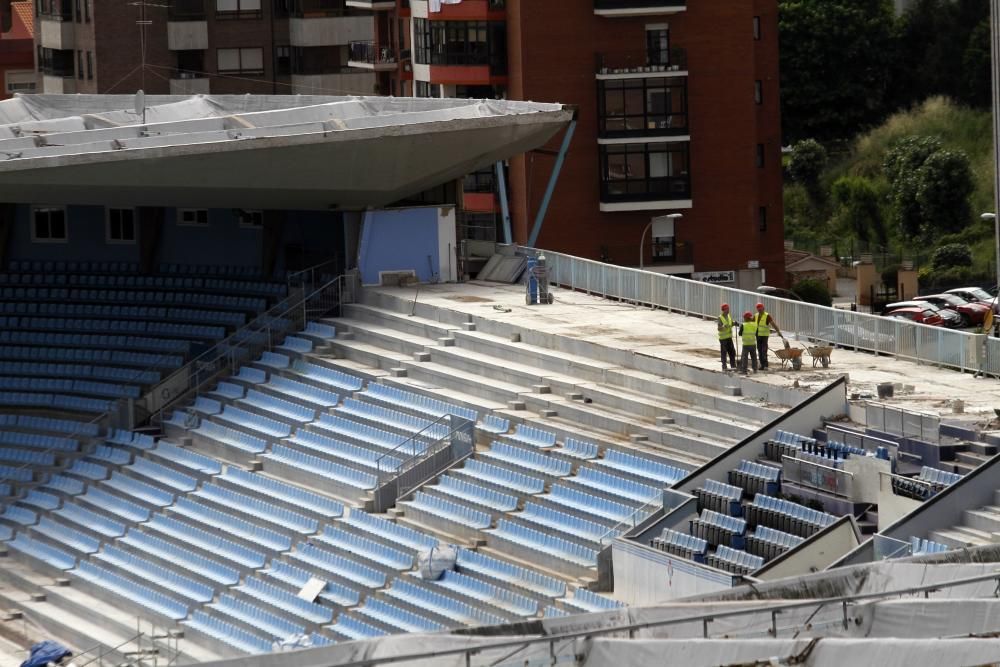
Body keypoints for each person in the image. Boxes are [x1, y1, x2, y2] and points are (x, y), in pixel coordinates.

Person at [754, 302, 783, 371]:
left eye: (761, 308)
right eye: (758, 309)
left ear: (763, 308)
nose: (760, 310)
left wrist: (778, 331)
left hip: (764, 336)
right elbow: (752, 323)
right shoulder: (756, 316)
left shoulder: (767, 316)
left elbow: (773, 324)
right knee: (759, 350)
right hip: (758, 335)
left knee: (764, 350)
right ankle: (762, 365)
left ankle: (765, 365)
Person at [717, 303, 736, 372]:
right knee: (724, 352)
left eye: (728, 309)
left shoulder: (728, 316)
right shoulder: (720, 317)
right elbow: (719, 328)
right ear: (723, 310)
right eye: (727, 309)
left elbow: (730, 323)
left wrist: (734, 323)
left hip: (729, 337)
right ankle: (724, 366)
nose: (728, 310)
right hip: (723, 339)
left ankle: (733, 365)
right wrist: (723, 327)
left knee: (732, 352)